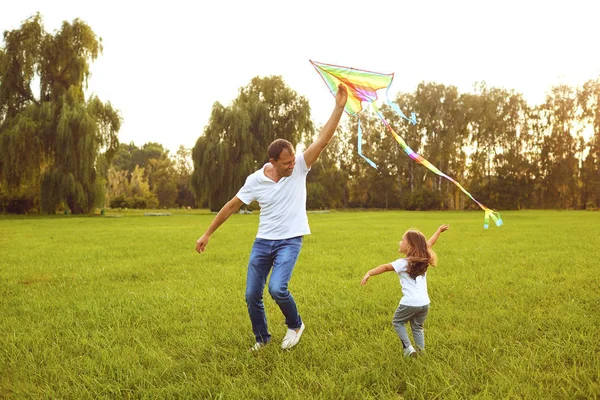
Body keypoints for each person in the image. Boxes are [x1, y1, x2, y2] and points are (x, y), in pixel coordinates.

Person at [196, 84, 349, 351]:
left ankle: (295, 324)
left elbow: (323, 139)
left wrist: (339, 107)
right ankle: (262, 339)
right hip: (263, 242)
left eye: (293, 161)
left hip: (290, 240)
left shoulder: (301, 165)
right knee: (251, 294)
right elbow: (231, 206)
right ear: (273, 161)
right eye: (286, 163)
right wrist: (207, 233)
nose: (292, 165)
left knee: (277, 288)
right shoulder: (255, 180)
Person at [360, 224, 449, 357]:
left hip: (410, 302)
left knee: (397, 321)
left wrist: (369, 273)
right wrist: (438, 231)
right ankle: (421, 351)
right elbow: (429, 244)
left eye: (402, 240)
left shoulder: (403, 262)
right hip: (424, 303)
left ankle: (408, 348)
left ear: (409, 247)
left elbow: (385, 267)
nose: (399, 242)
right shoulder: (423, 260)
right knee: (417, 327)